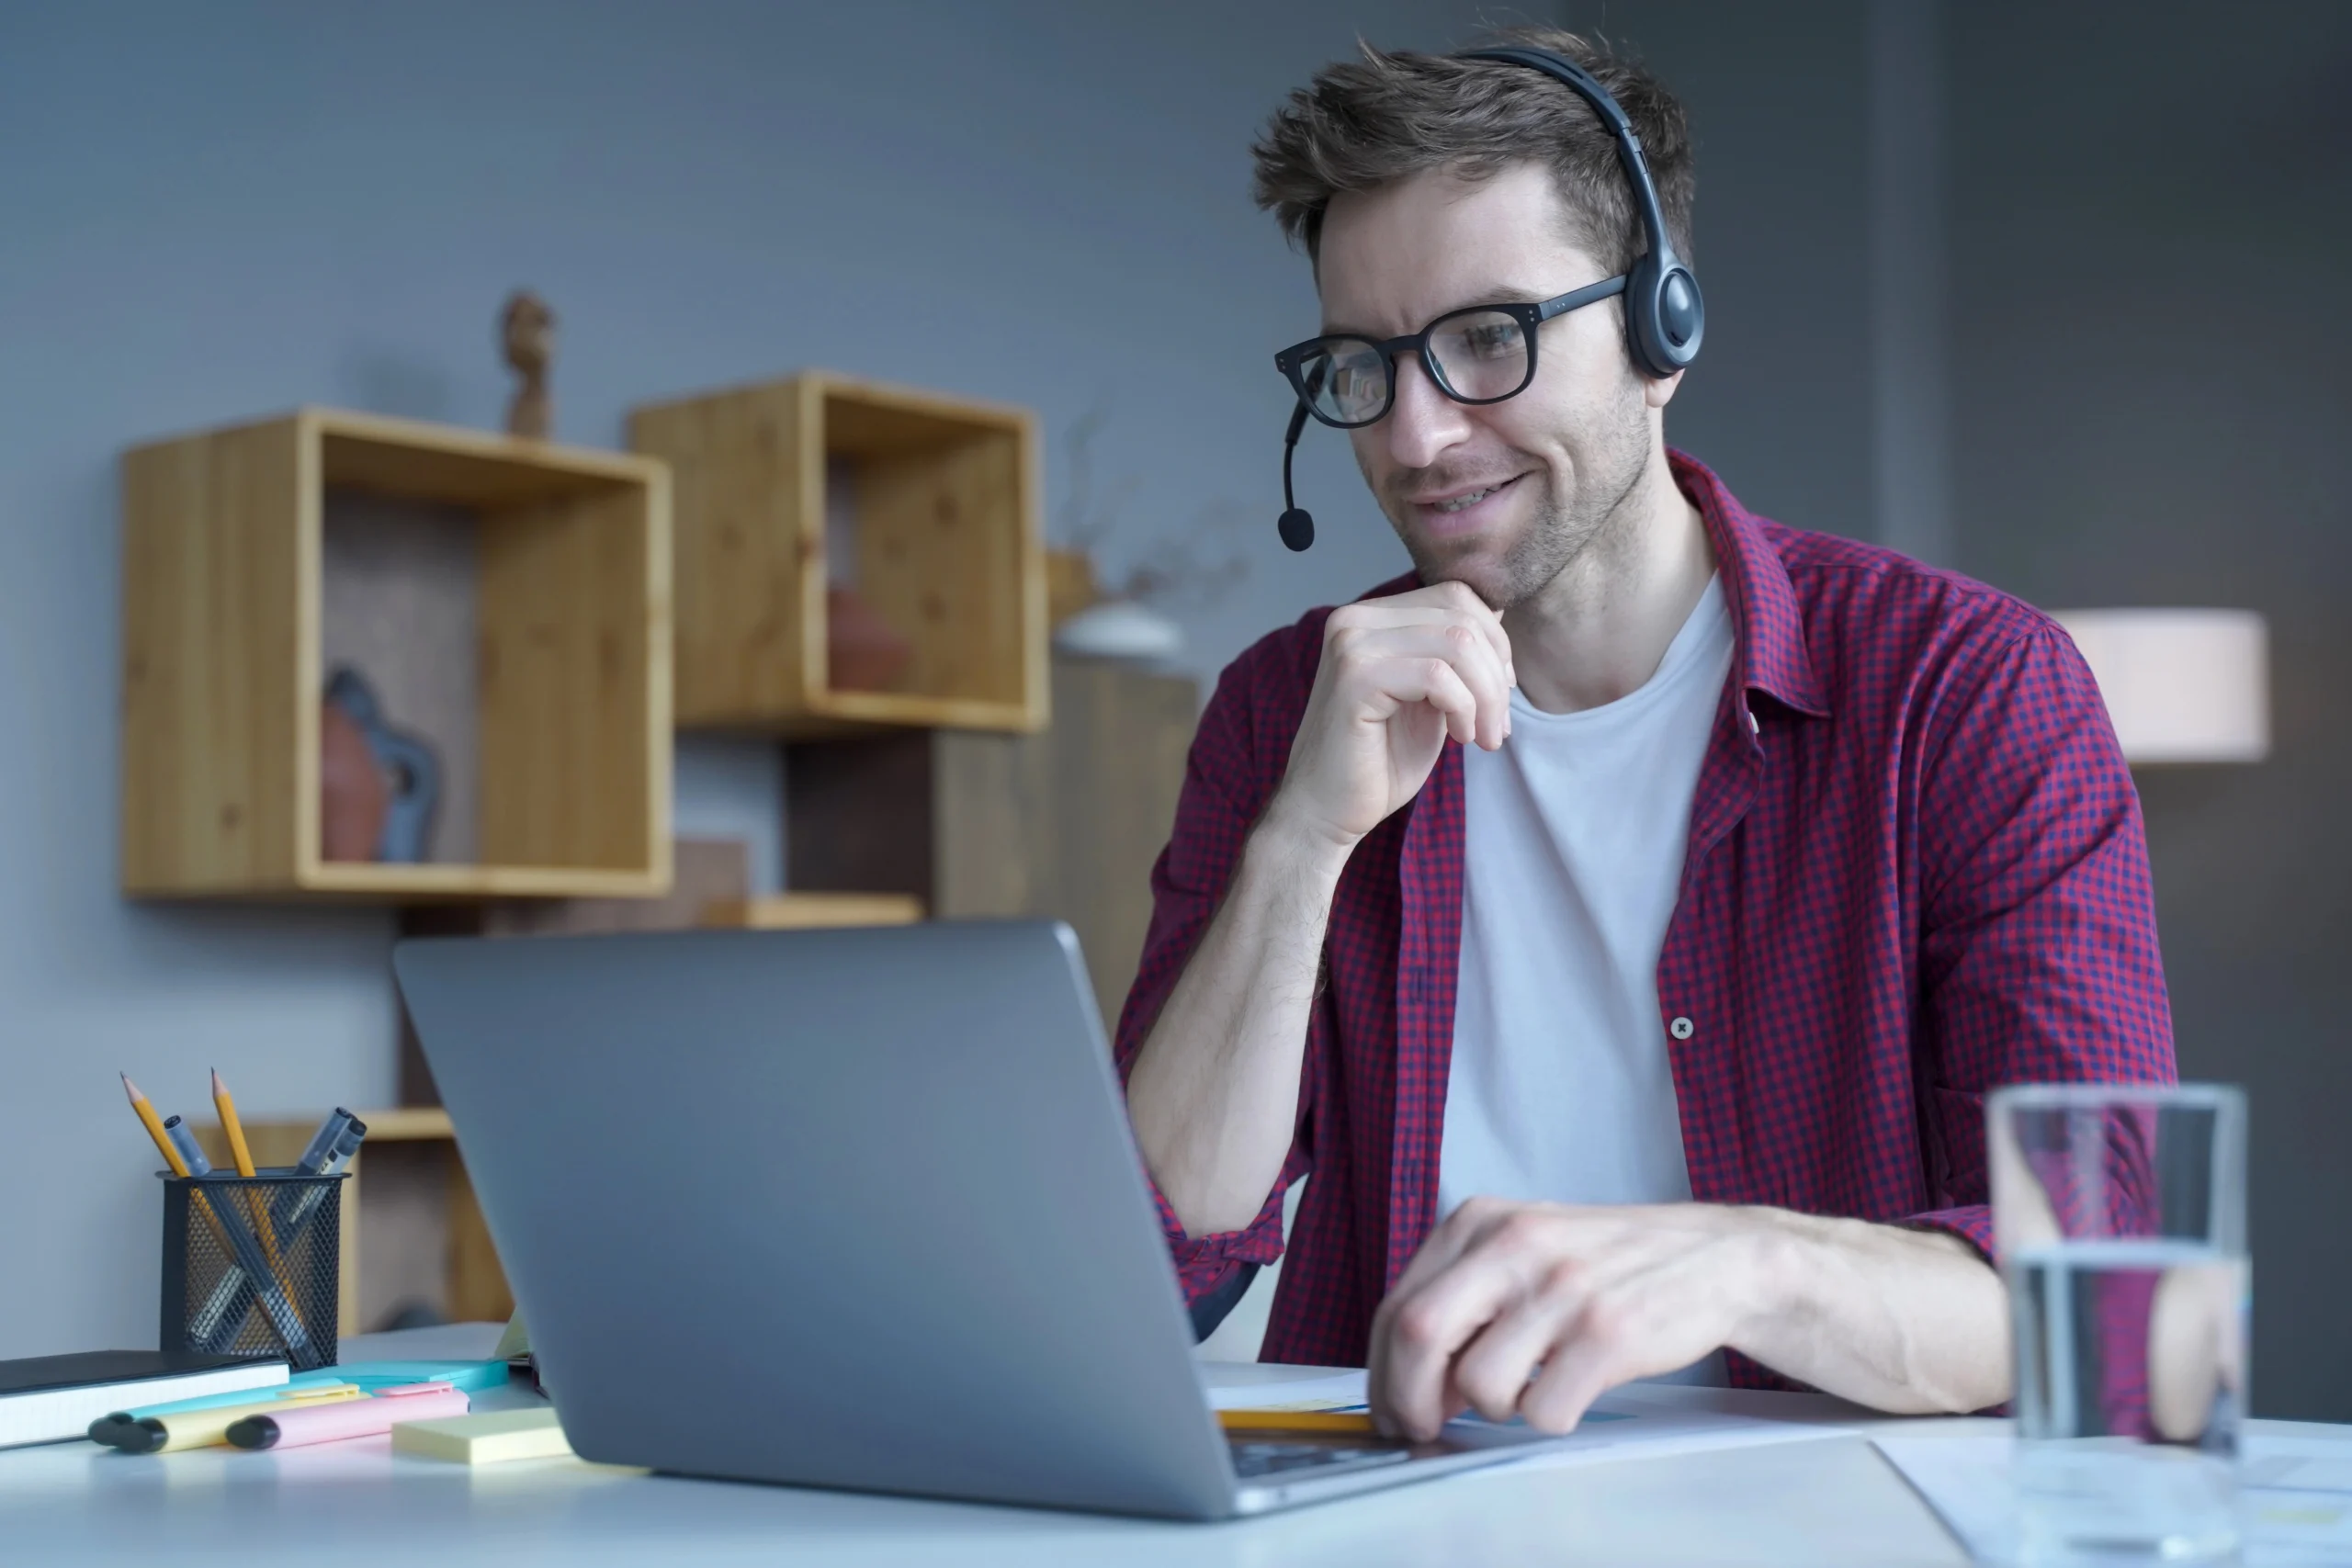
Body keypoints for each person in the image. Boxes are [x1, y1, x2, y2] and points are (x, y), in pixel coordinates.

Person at [1115, 28, 2175, 1443]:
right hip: (1407, 1517)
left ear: (1661, 332)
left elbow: (2105, 1292)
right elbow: (1163, 1251)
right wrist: (1302, 841)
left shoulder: (1966, 690)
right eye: (1361, 365)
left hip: (1831, 1530)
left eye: (1489, 338)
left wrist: (1741, 1262)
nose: (1419, 437)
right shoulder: (1282, 706)